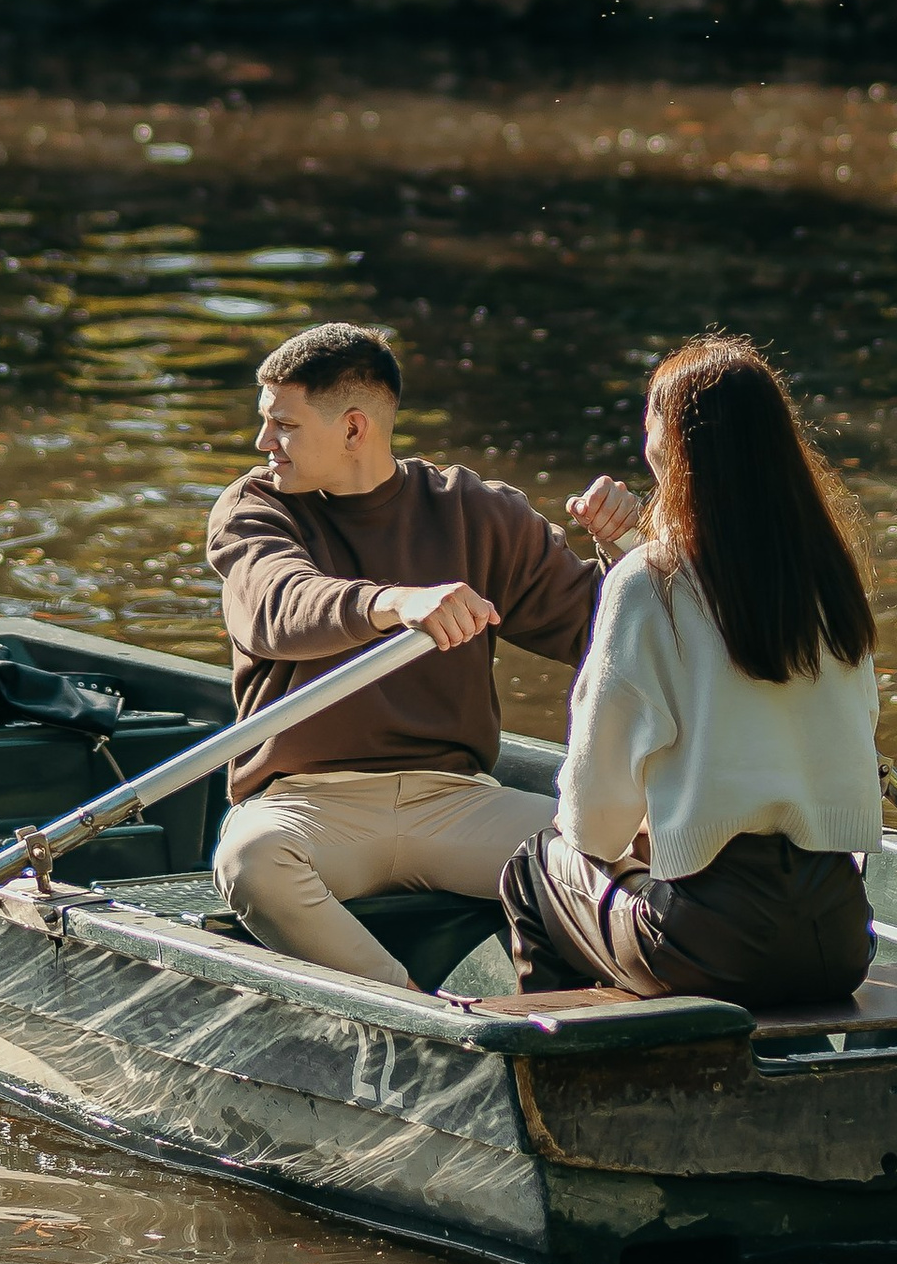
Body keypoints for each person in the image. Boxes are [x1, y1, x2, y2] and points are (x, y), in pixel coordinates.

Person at [205, 321, 645, 987]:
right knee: (249, 860)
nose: (264, 442)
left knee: (634, 845)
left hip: (456, 801)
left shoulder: (475, 511)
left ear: (354, 429)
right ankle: (417, 1015)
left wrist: (630, 552)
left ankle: (639, 1002)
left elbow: (609, 633)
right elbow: (276, 608)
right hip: (308, 802)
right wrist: (394, 603)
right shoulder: (255, 507)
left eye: (284, 425)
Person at [498, 333, 880, 1009]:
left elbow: (592, 819)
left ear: (673, 443)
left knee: (536, 866)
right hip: (841, 936)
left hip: (717, 943)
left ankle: (572, 1074)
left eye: (650, 413)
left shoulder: (648, 581)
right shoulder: (829, 575)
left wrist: (638, 841)